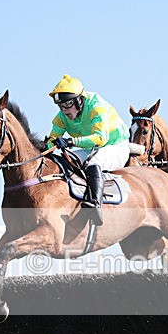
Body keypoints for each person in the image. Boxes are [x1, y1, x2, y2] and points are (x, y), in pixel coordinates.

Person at [47, 74, 131, 225]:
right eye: (61, 106)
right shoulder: (62, 116)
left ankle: (95, 205)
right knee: (65, 160)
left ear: (80, 100)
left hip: (115, 146)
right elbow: (51, 140)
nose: (64, 110)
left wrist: (70, 141)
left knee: (94, 162)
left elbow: (100, 139)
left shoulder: (97, 107)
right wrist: (46, 147)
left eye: (68, 105)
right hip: (92, 148)